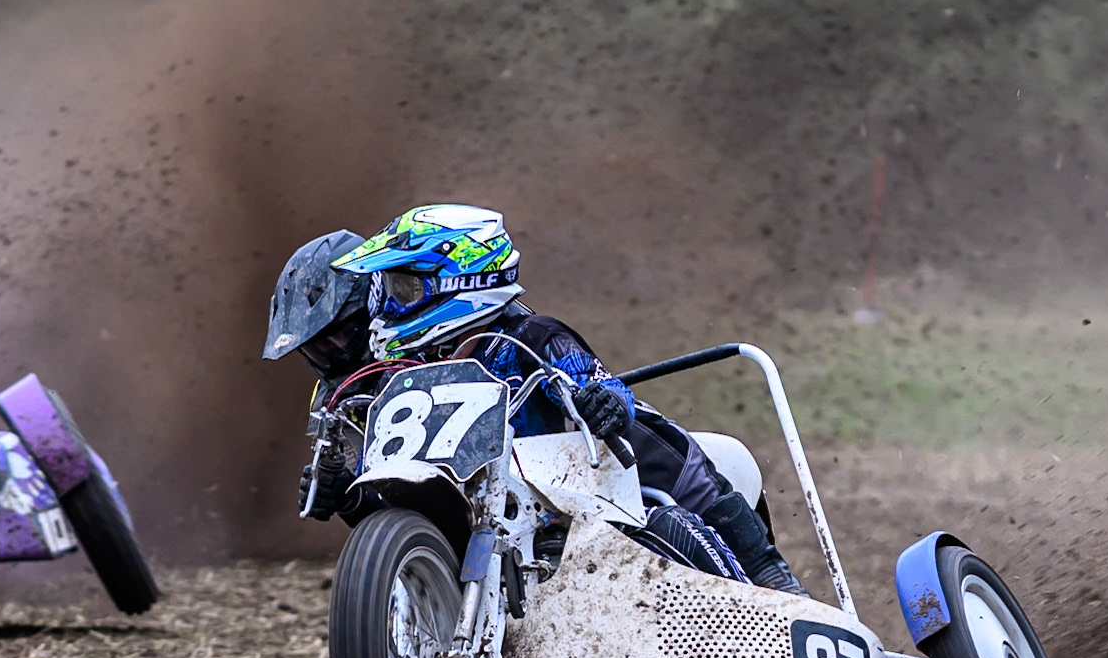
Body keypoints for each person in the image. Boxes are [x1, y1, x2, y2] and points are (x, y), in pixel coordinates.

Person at [273, 204, 809, 596]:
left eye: (406, 290)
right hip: (490, 532)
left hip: (586, 498)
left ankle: (769, 580)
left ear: (462, 278)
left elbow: (599, 385)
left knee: (648, 461)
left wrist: (606, 403)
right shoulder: (388, 380)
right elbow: (402, 506)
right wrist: (346, 498)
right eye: (389, 291)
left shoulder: (532, 336)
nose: (389, 307)